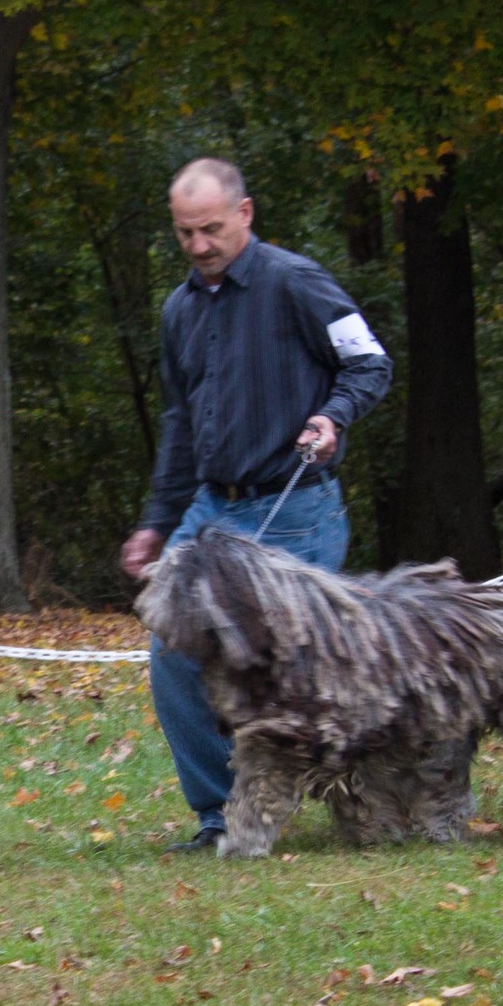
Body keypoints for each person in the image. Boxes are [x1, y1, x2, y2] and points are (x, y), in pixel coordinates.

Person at [120, 158, 393, 853]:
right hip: (211, 511)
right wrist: (157, 520)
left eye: (211, 228)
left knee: (296, 672)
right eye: (185, 233)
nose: (199, 245)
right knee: (171, 650)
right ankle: (220, 816)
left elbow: (370, 362)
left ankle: (375, 795)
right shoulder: (179, 310)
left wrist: (333, 417)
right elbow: (181, 423)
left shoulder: (295, 282)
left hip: (296, 508)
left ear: (245, 213)